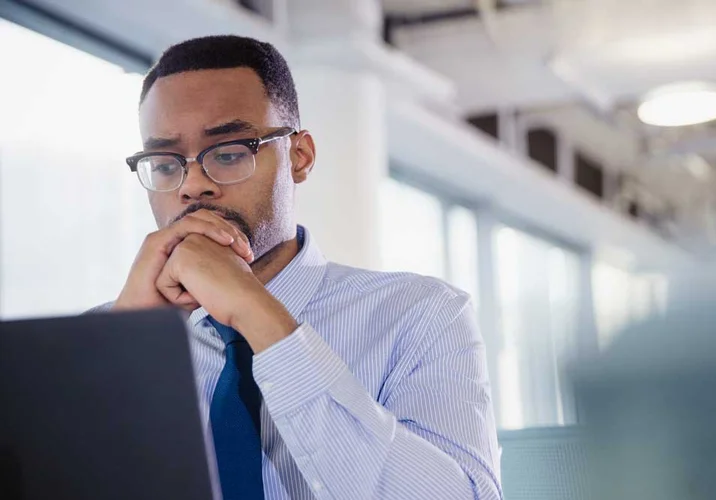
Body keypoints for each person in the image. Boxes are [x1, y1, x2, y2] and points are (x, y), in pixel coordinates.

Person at [92, 35, 501, 499]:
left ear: (299, 157)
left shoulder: (421, 315)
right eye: (165, 164)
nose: (193, 186)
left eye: (228, 154)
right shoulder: (104, 334)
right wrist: (121, 349)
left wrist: (257, 313)